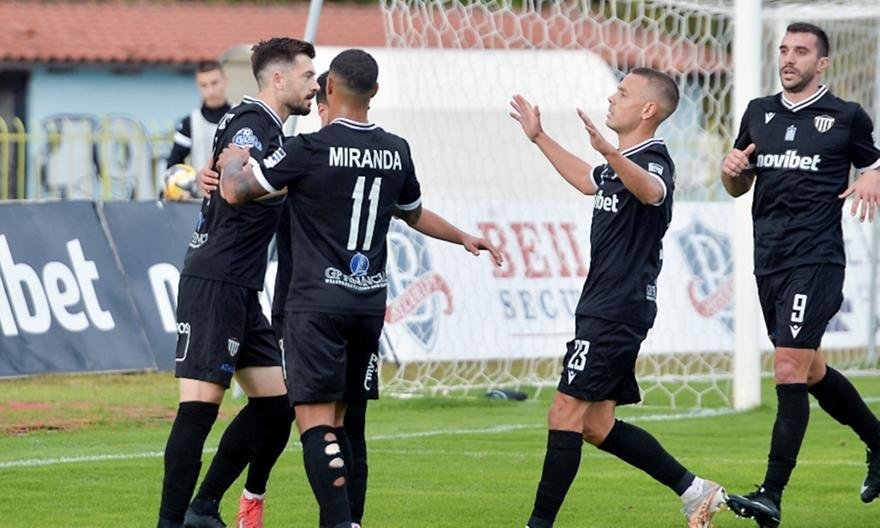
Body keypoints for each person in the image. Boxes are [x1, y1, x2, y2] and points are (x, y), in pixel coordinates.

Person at [217, 48, 503, 528]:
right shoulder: (397, 150)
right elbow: (412, 213)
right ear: (375, 92)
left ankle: (340, 524)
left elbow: (235, 192)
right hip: (367, 306)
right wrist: (463, 237)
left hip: (314, 305)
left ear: (329, 88)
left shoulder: (309, 148)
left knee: (316, 424)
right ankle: (350, 519)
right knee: (345, 423)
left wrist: (233, 160)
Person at [510, 68, 726, 528]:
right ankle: (696, 491)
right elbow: (587, 179)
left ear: (648, 109)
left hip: (617, 309)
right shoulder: (619, 162)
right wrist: (540, 137)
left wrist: (610, 152)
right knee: (596, 425)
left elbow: (652, 191)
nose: (612, 98)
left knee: (564, 412)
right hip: (605, 305)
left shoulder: (654, 159)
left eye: (623, 92)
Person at [156, 37, 319, 528]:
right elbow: (231, 184)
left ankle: (204, 507)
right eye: (308, 76)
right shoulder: (252, 122)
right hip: (216, 279)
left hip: (242, 285)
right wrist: (293, 181)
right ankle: (170, 522)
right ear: (278, 79)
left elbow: (233, 174)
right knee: (199, 408)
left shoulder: (266, 128)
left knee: (277, 404)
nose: (314, 85)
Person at [722, 22, 880, 528]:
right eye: (784, 50)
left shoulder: (846, 116)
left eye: (801, 51)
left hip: (816, 259)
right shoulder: (758, 112)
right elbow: (737, 185)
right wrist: (730, 170)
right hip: (768, 258)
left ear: (822, 63)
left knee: (788, 369)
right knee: (810, 371)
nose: (789, 59)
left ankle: (771, 494)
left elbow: (875, 165)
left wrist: (873, 175)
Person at [168, 61, 232, 172]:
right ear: (198, 86)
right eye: (204, 85)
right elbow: (173, 166)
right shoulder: (189, 123)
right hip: (200, 183)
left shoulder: (242, 117)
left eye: (214, 83)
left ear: (225, 81)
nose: (210, 91)